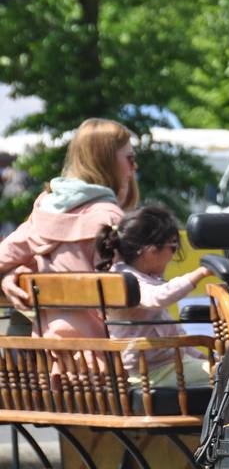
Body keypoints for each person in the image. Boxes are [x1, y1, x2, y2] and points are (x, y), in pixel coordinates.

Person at [0, 118, 139, 337]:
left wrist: (13, 274)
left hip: (53, 357)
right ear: (106, 162)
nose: (134, 167)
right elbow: (137, 301)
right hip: (109, 359)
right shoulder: (110, 218)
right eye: (130, 158)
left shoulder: (45, 210)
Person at [95, 205, 212, 386]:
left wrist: (201, 355)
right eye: (172, 246)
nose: (173, 255)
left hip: (168, 365)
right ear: (150, 251)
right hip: (151, 373)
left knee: (227, 370)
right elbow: (157, 298)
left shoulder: (140, 278)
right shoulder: (124, 280)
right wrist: (200, 274)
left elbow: (174, 334)